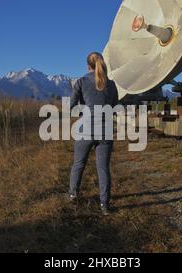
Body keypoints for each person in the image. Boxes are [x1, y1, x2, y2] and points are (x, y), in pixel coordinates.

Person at [68, 52, 119, 216]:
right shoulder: (111, 85)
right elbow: (114, 106)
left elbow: (73, 107)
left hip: (86, 130)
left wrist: (85, 111)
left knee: (79, 163)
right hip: (105, 131)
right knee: (103, 168)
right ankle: (105, 205)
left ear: (87, 66)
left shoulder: (81, 82)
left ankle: (73, 195)